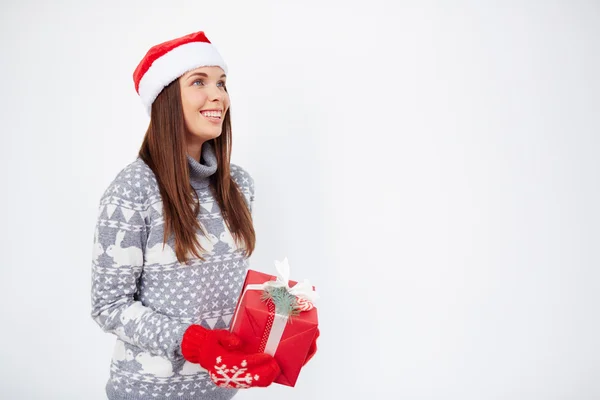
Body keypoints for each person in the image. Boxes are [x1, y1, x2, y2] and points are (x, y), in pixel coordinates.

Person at [90, 31, 291, 400]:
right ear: (165, 99)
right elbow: (110, 307)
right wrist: (193, 342)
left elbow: (231, 293)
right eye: (198, 82)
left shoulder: (238, 186)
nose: (218, 95)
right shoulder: (134, 190)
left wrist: (284, 335)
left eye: (222, 83)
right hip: (148, 393)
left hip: (219, 392)